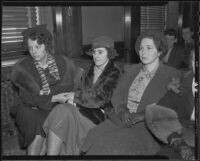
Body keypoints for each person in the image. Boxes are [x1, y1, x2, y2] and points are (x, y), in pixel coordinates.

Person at [80, 30, 182, 155]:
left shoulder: (171, 75)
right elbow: (117, 93)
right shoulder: (131, 70)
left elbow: (170, 105)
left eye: (149, 48)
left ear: (160, 51)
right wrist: (122, 109)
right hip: (122, 119)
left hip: (147, 127)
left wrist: (143, 115)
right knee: (93, 135)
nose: (143, 52)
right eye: (141, 48)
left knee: (107, 145)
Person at [10, 24, 82, 155]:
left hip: (55, 107)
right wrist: (53, 97)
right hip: (29, 107)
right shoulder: (23, 67)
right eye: (31, 48)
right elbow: (27, 98)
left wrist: (49, 96)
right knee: (36, 122)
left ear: (47, 45)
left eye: (38, 47)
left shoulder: (63, 63)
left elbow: (69, 90)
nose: (34, 51)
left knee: (55, 118)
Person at [42, 36, 121, 155]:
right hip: (81, 109)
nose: (96, 56)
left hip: (99, 116)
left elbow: (100, 98)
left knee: (62, 113)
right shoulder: (89, 69)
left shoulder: (114, 72)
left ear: (109, 54)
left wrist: (75, 97)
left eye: (100, 52)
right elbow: (80, 89)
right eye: (94, 52)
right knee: (61, 112)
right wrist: (72, 99)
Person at [146, 48, 196, 160]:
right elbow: (154, 113)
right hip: (181, 140)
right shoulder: (181, 87)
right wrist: (177, 141)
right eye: (195, 59)